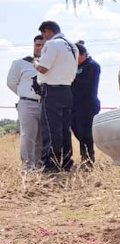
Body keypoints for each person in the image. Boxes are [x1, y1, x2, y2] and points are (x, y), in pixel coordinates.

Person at [34, 20, 78, 173]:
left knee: (51, 129)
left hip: (51, 91)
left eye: (43, 35)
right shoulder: (72, 46)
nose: (44, 39)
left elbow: (43, 68)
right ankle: (66, 162)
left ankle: (50, 164)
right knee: (65, 129)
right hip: (67, 90)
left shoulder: (52, 44)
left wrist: (35, 63)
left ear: (47, 31)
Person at [6, 35, 45, 171]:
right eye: (37, 45)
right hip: (27, 103)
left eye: (43, 45)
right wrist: (25, 94)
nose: (40, 48)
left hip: (45, 104)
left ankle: (39, 164)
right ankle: (27, 166)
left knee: (41, 136)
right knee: (28, 135)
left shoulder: (49, 65)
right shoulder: (21, 63)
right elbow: (11, 82)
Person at [71, 41, 101, 166]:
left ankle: (88, 160)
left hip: (87, 106)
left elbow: (86, 84)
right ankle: (85, 158)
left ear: (83, 54)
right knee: (77, 132)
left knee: (85, 134)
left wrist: (72, 79)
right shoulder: (75, 67)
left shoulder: (92, 66)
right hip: (75, 106)